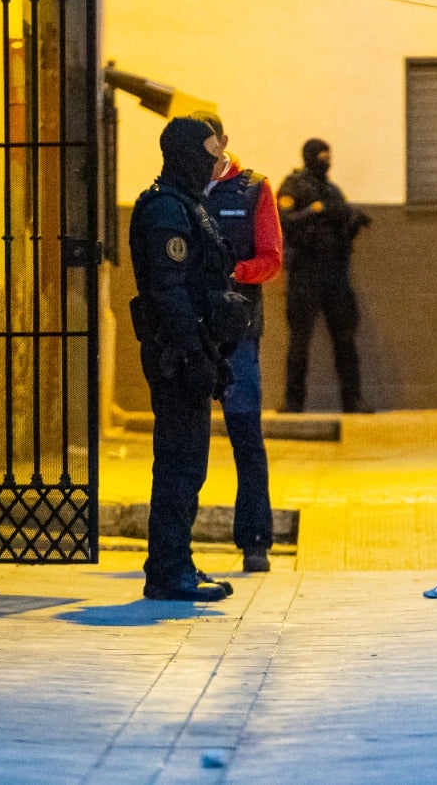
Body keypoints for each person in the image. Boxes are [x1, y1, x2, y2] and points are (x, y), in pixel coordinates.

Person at [127, 117, 250, 601]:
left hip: (193, 352)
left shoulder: (189, 206)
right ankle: (167, 570)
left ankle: (176, 562)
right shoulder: (165, 211)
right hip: (176, 355)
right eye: (207, 155)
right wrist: (193, 349)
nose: (213, 164)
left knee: (189, 463)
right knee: (179, 462)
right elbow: (169, 290)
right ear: (183, 155)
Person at [190, 110, 281, 573]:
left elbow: (271, 258)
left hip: (238, 330)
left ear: (223, 141)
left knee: (245, 433)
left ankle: (255, 540)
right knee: (185, 438)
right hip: (189, 328)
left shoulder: (254, 189)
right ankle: (175, 546)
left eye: (208, 147)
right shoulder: (177, 190)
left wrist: (232, 273)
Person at [277, 138, 373, 414]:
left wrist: (352, 218)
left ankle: (352, 400)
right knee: (299, 341)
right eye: (321, 156)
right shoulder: (293, 187)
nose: (326, 161)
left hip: (335, 275)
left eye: (328, 156)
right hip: (305, 275)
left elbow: (343, 226)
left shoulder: (333, 191)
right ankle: (293, 403)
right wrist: (316, 210)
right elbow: (284, 222)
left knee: (345, 339)